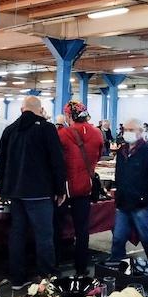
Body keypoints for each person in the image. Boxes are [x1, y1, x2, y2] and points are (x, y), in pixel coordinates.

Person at [0, 96, 67, 289]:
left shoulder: (10, 130)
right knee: (44, 236)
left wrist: (3, 189)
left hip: (14, 193)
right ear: (40, 109)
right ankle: (47, 277)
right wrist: (60, 189)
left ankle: (17, 279)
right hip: (40, 192)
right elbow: (57, 160)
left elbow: (1, 161)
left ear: (22, 109)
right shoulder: (46, 128)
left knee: (17, 235)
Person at [110, 119, 148, 262]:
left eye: (131, 130)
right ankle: (116, 264)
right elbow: (119, 174)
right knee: (118, 237)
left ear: (141, 132)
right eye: (125, 130)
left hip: (141, 203)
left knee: (145, 236)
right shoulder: (122, 151)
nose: (127, 132)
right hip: (123, 203)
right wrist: (116, 190)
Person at [58, 101, 103, 276]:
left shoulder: (63, 134)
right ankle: (81, 268)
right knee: (82, 230)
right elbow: (98, 157)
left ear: (68, 115)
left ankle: (55, 267)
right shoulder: (97, 133)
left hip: (66, 189)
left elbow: (57, 160)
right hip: (85, 187)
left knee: (57, 228)